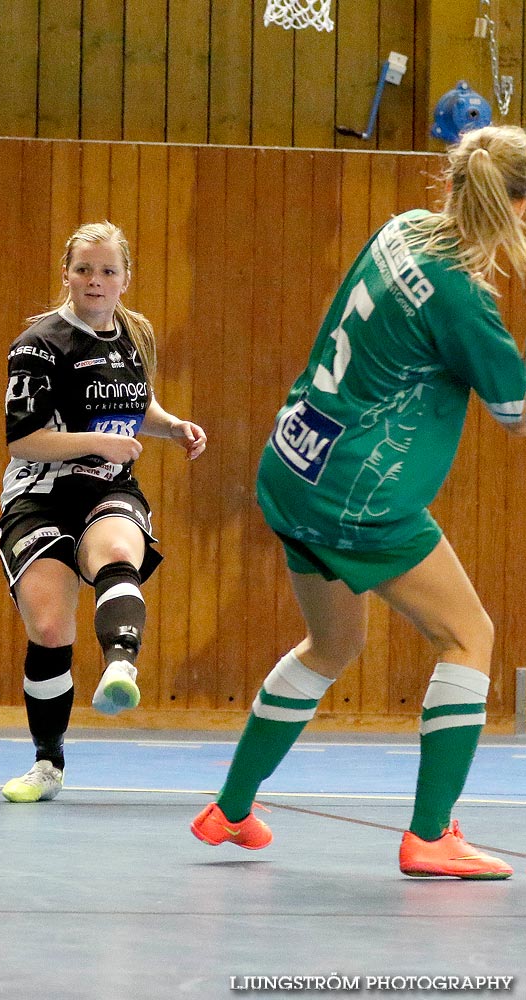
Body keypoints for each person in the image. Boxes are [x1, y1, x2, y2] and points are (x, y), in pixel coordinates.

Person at [190, 124, 526, 880]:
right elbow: (515, 413)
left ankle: (231, 809)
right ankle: (431, 836)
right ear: (513, 209)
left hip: (293, 463)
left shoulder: (403, 228)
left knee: (333, 647)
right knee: (469, 634)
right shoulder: (466, 301)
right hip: (357, 497)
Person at [0, 221, 206, 803]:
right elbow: (24, 440)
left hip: (109, 487)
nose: (95, 280)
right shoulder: (39, 344)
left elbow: (136, 404)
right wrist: (96, 442)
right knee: (49, 628)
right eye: (84, 269)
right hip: (39, 494)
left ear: (125, 280)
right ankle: (47, 762)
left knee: (117, 552)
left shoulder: (132, 335)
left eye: (107, 271)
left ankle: (120, 667)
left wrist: (171, 427)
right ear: (66, 273)